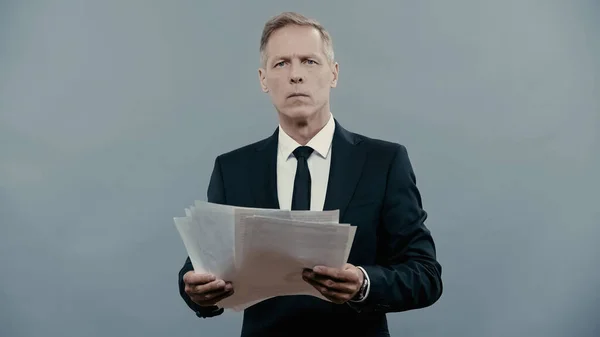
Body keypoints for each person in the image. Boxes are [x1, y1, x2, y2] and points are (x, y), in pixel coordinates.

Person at [178, 11, 443, 337]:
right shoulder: (233, 169)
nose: (296, 75)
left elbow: (425, 275)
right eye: (281, 64)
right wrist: (196, 292)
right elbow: (199, 267)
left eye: (309, 61)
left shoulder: (384, 162)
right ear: (263, 79)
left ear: (333, 73)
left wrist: (363, 283)